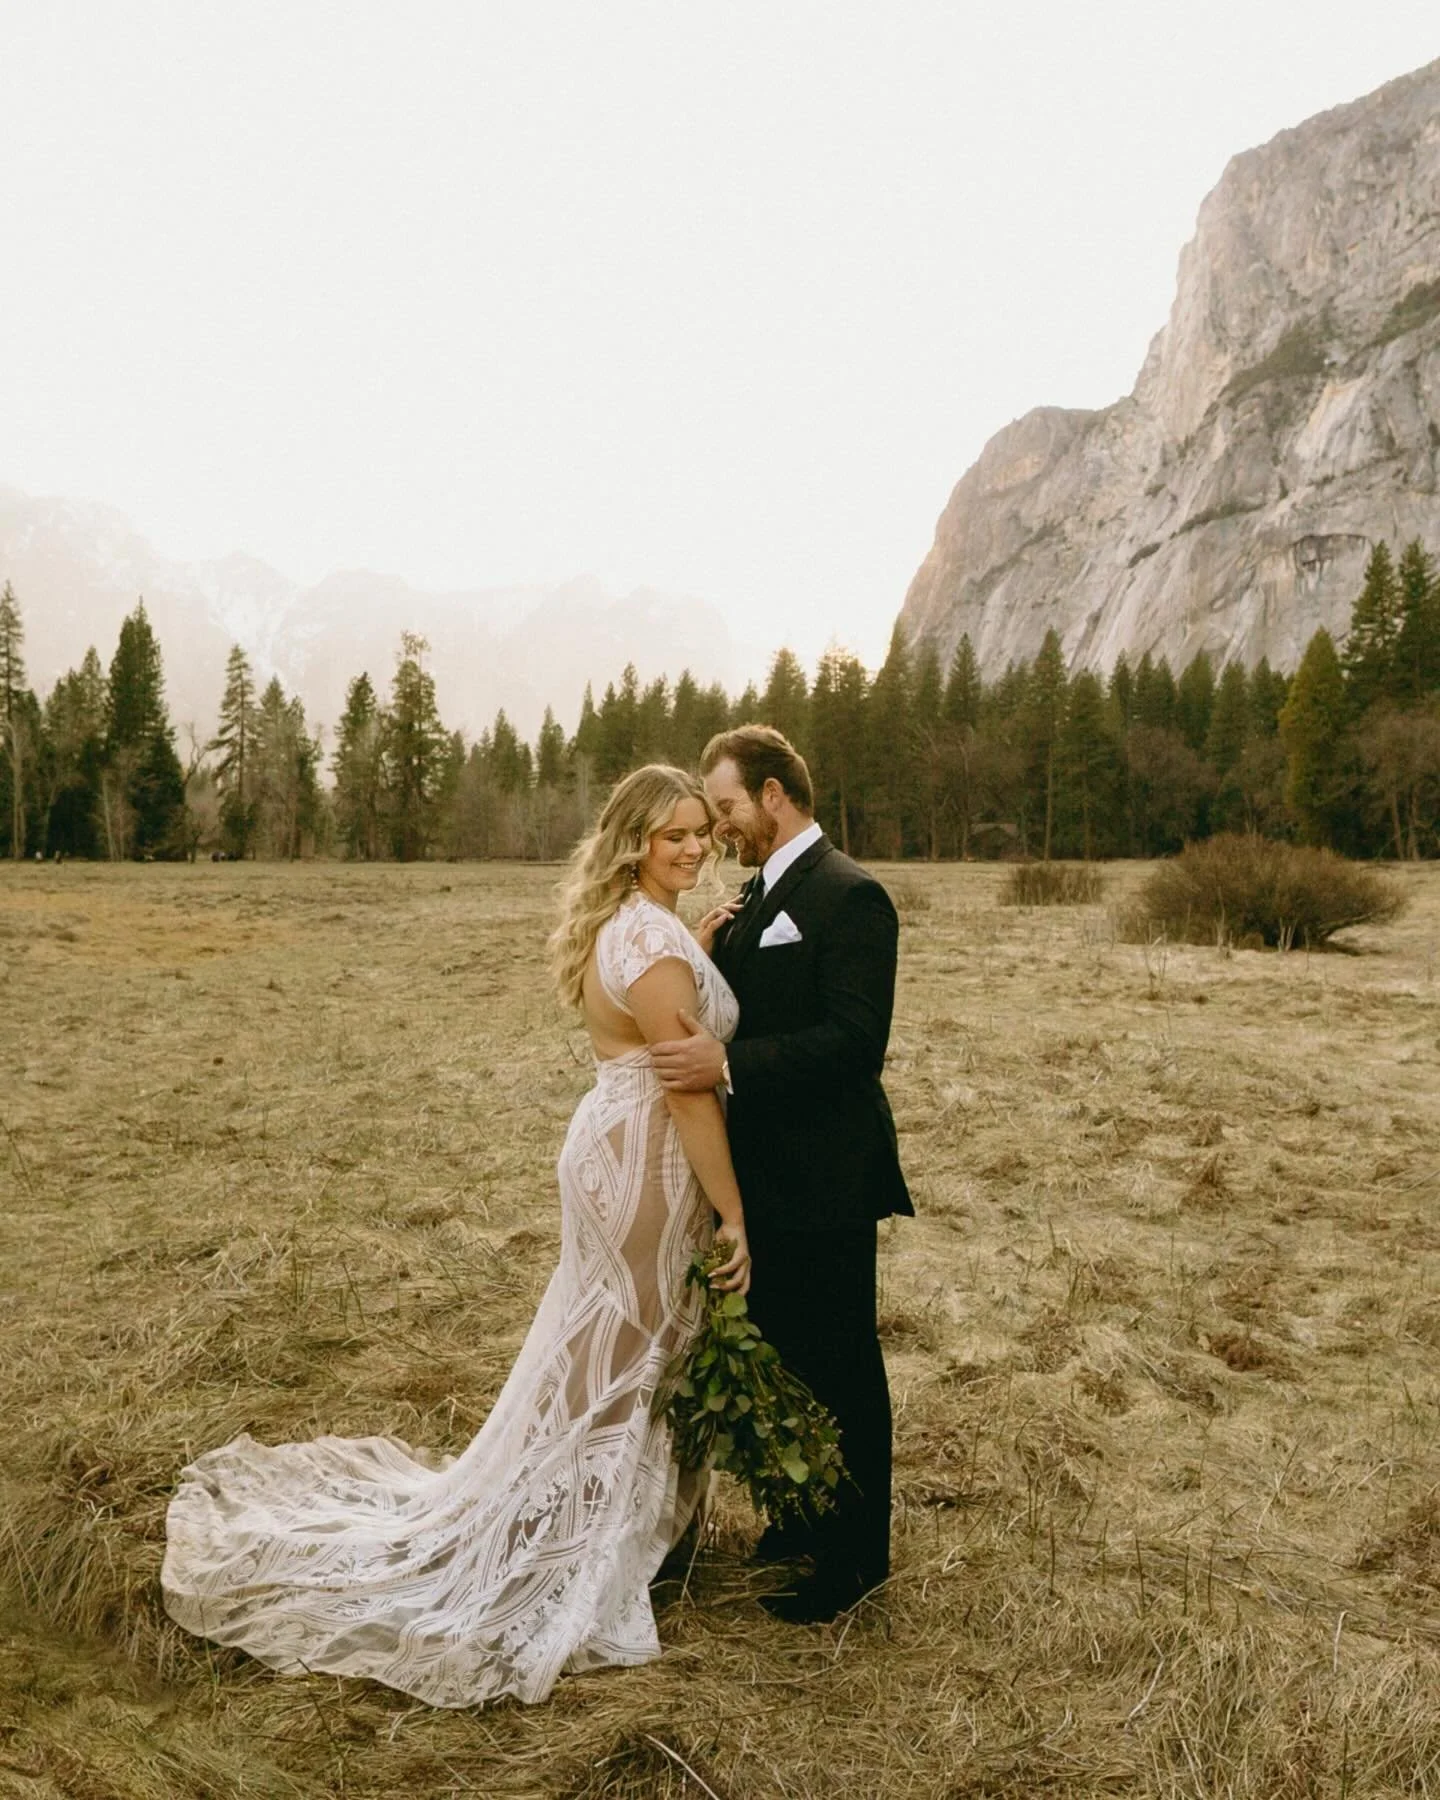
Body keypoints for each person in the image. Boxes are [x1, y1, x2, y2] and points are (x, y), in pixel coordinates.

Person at [162, 765, 749, 1708]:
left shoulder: (636, 927)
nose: (693, 848)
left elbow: (655, 1000)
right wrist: (733, 1212)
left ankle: (556, 1525)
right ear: (634, 838)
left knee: (596, 1348)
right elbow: (686, 1088)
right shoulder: (651, 938)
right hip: (649, 1159)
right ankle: (558, 1555)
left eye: (700, 834)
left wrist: (697, 942)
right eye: (673, 835)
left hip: (609, 1143)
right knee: (624, 1357)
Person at [651, 725, 913, 1623]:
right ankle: (802, 1522)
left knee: (842, 1365)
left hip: (830, 1174)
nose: (717, 830)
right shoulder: (760, 895)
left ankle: (856, 1558)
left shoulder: (851, 895)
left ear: (772, 795)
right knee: (789, 1357)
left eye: (724, 809)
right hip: (767, 1174)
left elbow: (854, 1042)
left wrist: (726, 1067)